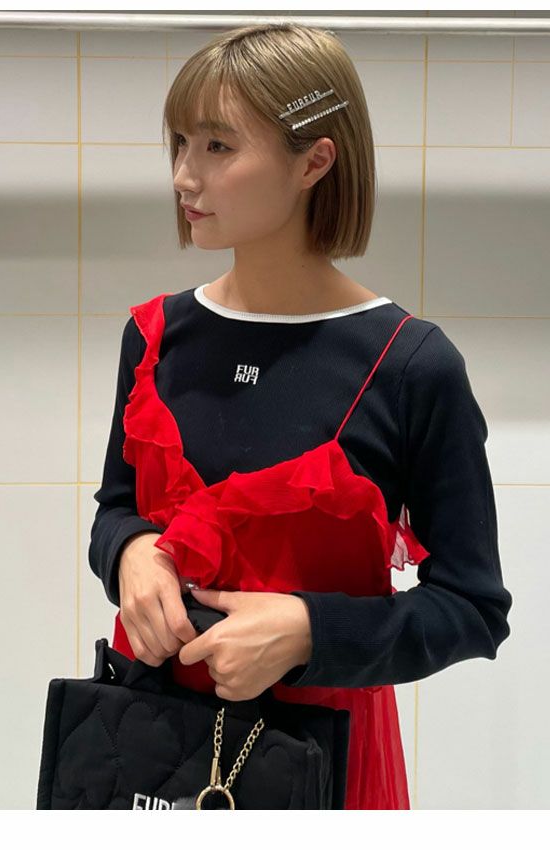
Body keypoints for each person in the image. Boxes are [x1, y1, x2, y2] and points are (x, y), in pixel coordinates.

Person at [88, 22, 513, 810]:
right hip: (148, 743)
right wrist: (132, 554)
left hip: (326, 762)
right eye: (179, 143)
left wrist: (311, 631)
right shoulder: (154, 336)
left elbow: (473, 608)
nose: (183, 175)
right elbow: (115, 509)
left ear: (315, 161)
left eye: (218, 146)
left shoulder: (410, 365)